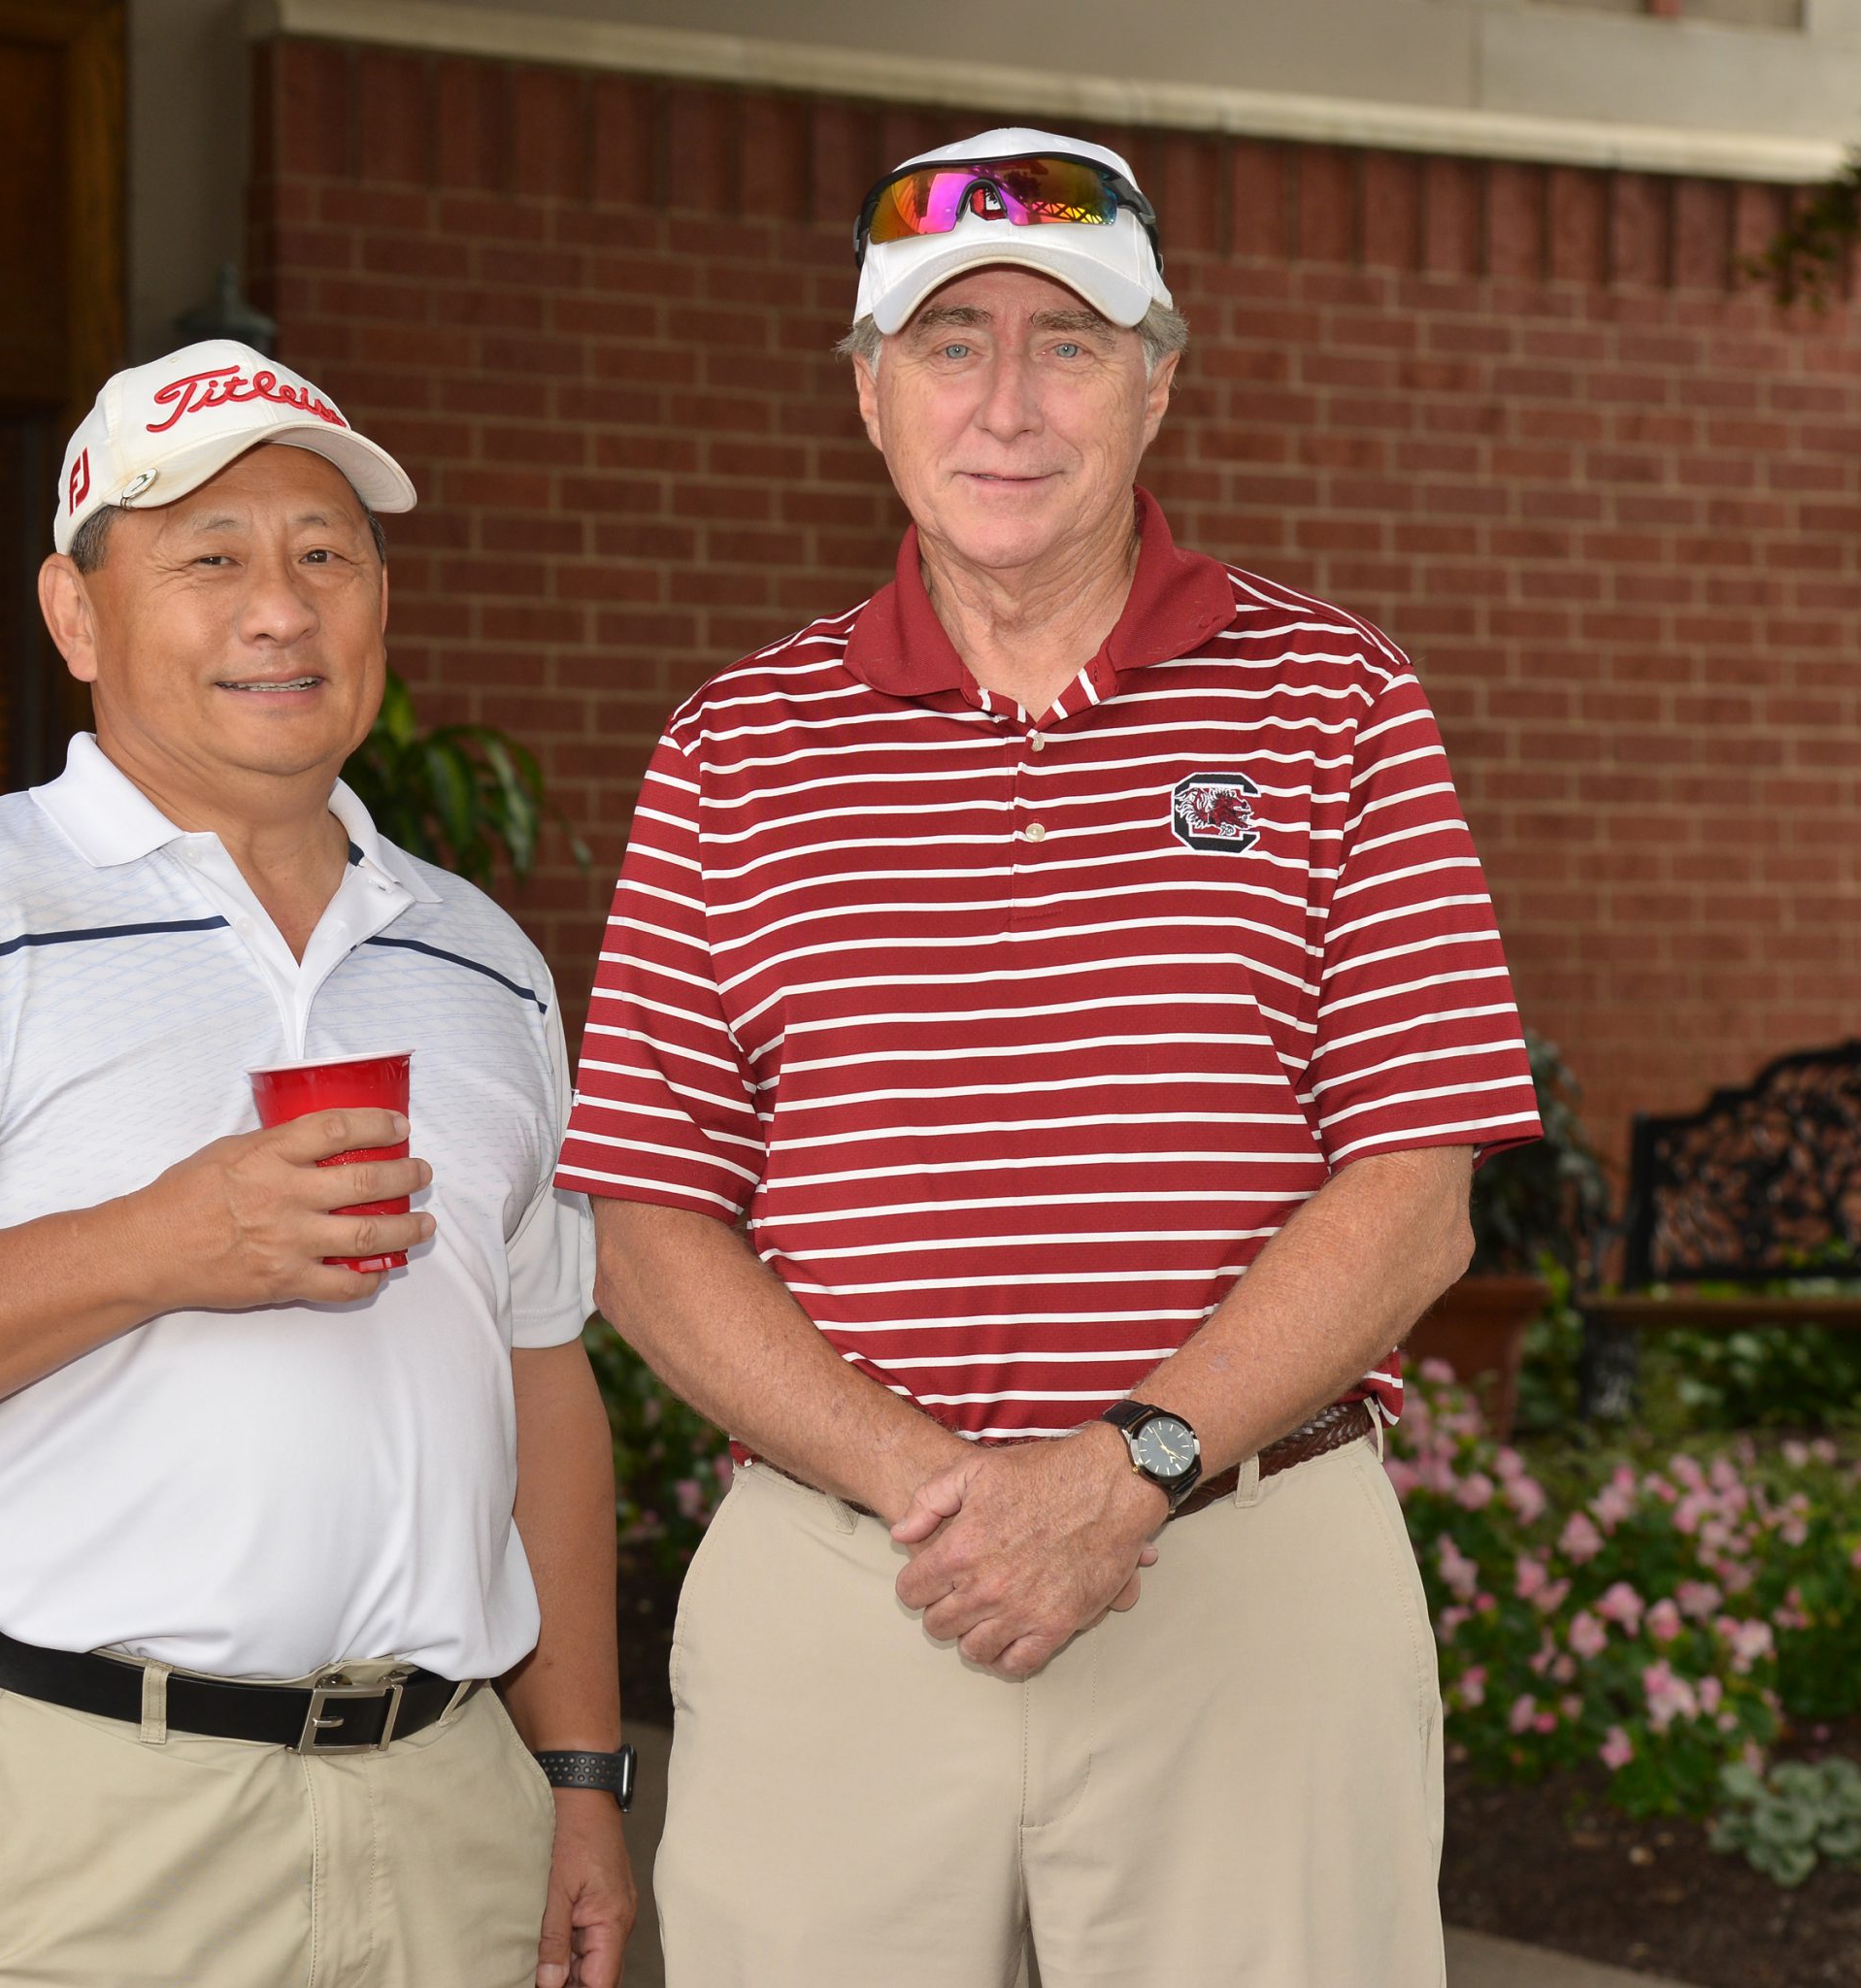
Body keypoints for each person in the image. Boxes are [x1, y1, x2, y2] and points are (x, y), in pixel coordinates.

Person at [555, 130, 1545, 1985]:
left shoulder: (1338, 701)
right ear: (870, 394)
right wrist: (936, 1487)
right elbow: (648, 1225)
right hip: (850, 1580)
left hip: (1241, 1567)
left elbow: (1416, 1194)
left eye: (1068, 343)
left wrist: (1126, 1469)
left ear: (1156, 384)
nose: (1006, 403)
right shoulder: (732, 750)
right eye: (950, 342)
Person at [0, 339, 634, 1988]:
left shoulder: (481, 961)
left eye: (325, 555)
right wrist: (153, 1246)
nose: (280, 611)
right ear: (77, 617)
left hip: (442, 1809)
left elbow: (537, 1374)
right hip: (73, 1816)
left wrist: (576, 1778)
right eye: (210, 560)